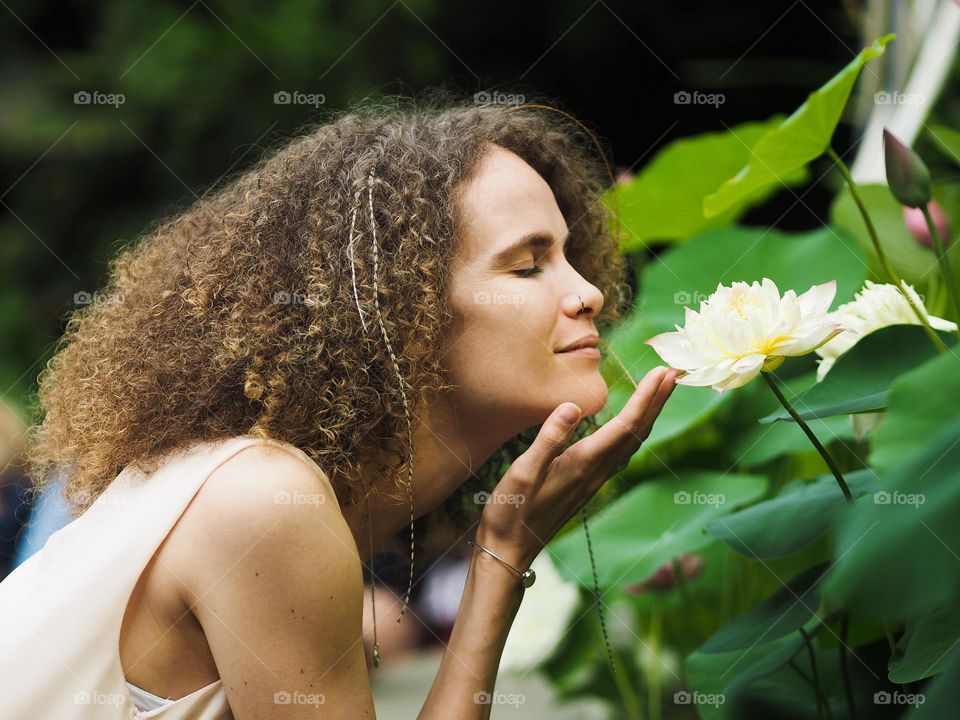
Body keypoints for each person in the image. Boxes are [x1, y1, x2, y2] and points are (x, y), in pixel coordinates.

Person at [0, 92, 683, 718]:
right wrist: (503, 555)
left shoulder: (268, 490)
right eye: (528, 265)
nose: (588, 291)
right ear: (401, 312)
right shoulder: (259, 500)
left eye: (570, 255)